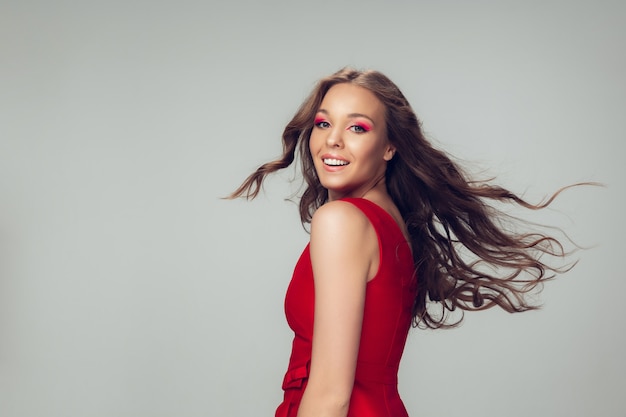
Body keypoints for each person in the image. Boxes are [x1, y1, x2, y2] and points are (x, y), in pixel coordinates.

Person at [229, 68, 578, 417]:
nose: (333, 140)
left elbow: (332, 395)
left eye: (357, 127)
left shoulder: (342, 222)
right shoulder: (389, 222)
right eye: (323, 123)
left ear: (390, 146)